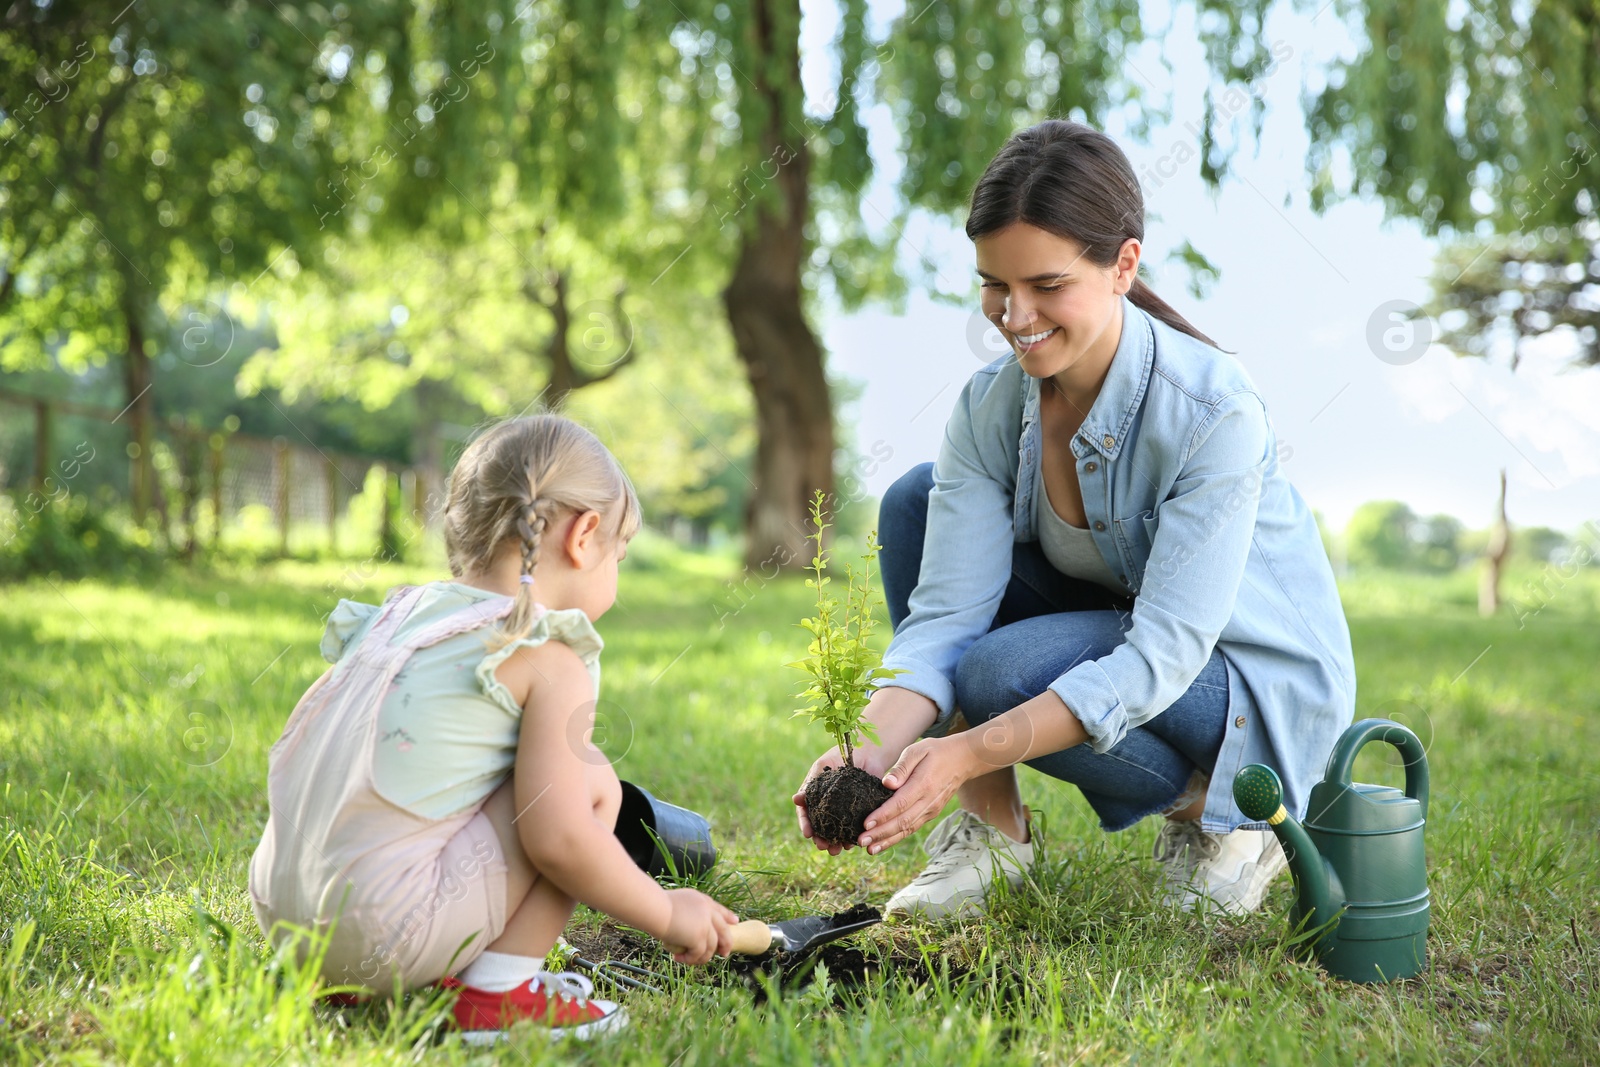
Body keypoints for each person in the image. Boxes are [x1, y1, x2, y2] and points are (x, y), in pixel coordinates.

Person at [794, 120, 1356, 922]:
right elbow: (946, 615)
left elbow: (1163, 651)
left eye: (1046, 285)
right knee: (914, 504)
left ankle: (1229, 817)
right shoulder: (991, 407)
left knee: (996, 674)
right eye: (995, 284)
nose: (1014, 315)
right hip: (1126, 639)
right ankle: (991, 835)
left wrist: (960, 748)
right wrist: (868, 748)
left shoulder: (1212, 411)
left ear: (1124, 264)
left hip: (1240, 681)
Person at [249, 415, 738, 1044]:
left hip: (289, 927)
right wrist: (667, 910)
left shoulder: (395, 619)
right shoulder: (547, 653)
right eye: (619, 554)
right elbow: (559, 840)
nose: (614, 571)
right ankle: (498, 994)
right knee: (589, 781)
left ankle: (379, 969)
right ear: (584, 536)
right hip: (384, 931)